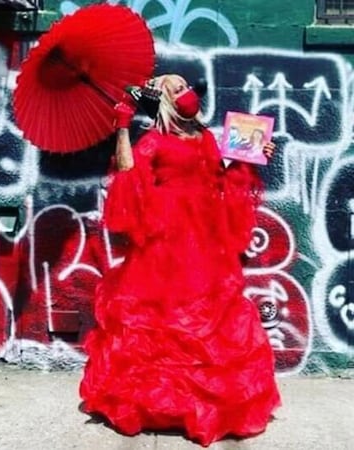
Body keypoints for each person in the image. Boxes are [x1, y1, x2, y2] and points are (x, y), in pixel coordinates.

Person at [79, 74, 281, 447]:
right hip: (165, 241)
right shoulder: (155, 139)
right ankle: (157, 404)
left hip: (205, 238)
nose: (185, 92)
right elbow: (127, 173)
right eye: (175, 88)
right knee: (161, 317)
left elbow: (223, 178)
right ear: (164, 100)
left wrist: (251, 158)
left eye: (185, 85)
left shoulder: (205, 137)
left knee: (211, 315)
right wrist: (123, 127)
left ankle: (207, 404)